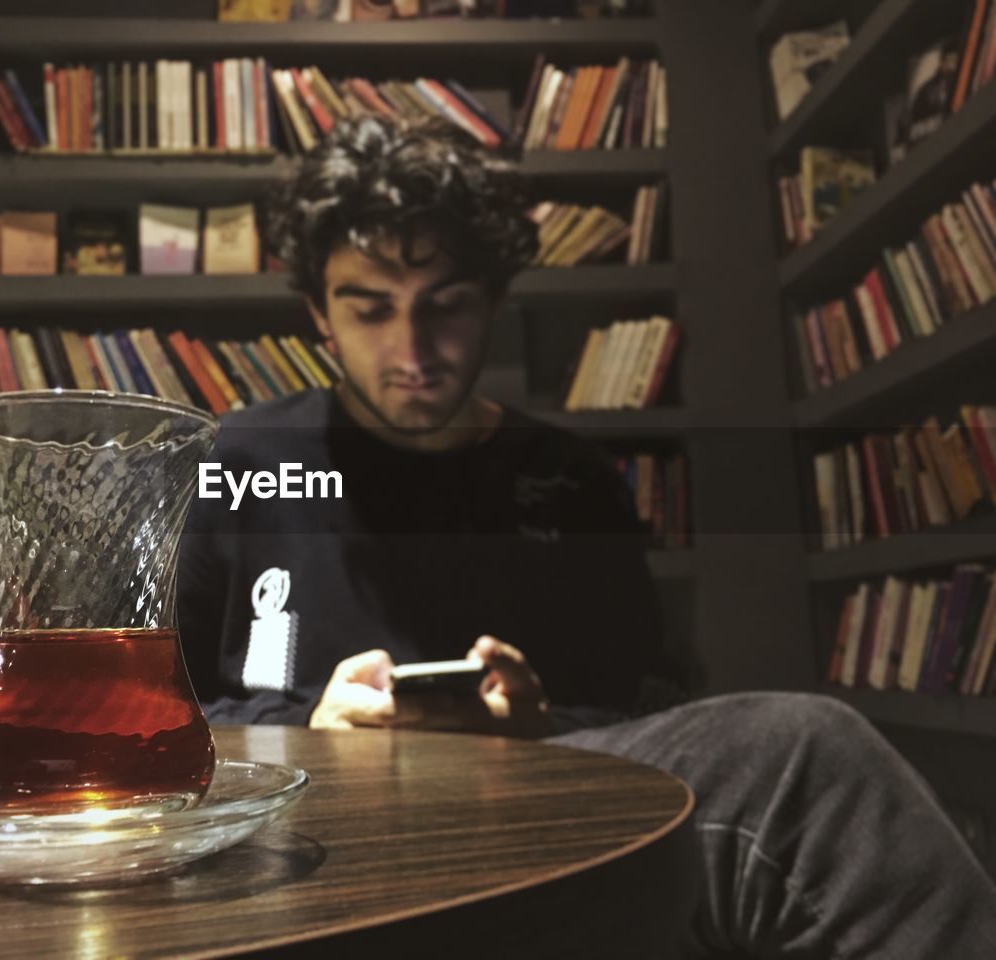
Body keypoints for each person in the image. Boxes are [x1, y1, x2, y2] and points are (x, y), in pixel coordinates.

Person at [177, 116, 996, 957]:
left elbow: (642, 706)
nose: (412, 350)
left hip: (541, 806)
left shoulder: (571, 478)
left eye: (448, 307)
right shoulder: (239, 461)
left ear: (493, 301)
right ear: (320, 314)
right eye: (371, 310)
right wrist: (312, 721)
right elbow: (167, 710)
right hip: (319, 816)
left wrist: (536, 724)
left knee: (805, 753)